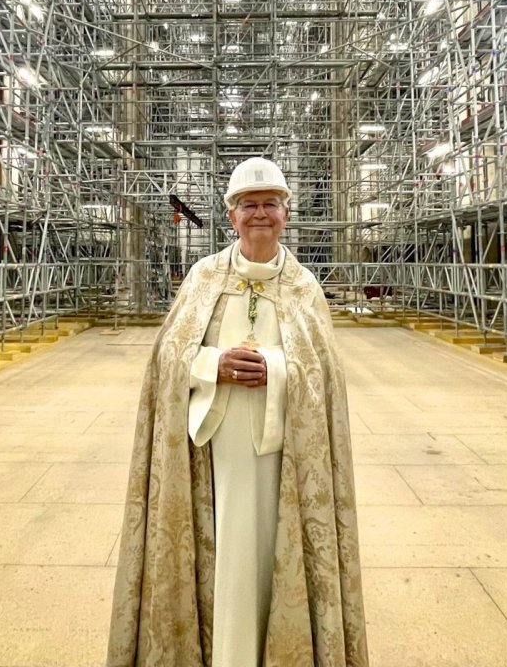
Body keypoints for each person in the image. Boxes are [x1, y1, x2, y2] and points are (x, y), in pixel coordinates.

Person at [107, 157, 368, 666]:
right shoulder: (204, 277)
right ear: (231, 216)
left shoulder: (304, 286)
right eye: (249, 205)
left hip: (282, 457)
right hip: (214, 453)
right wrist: (213, 364)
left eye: (271, 204)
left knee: (271, 552)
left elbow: (326, 376)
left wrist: (278, 368)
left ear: (286, 214)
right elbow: (166, 358)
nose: (260, 214)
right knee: (222, 551)